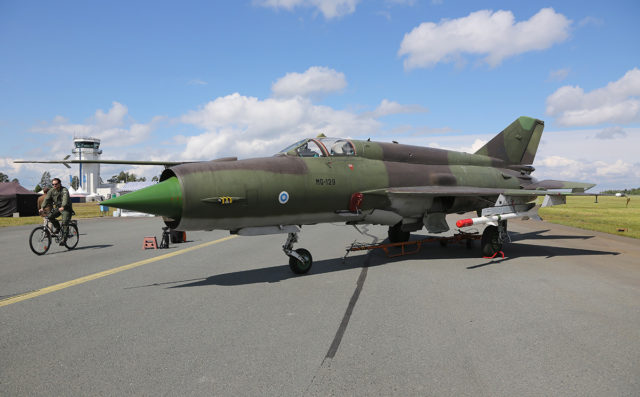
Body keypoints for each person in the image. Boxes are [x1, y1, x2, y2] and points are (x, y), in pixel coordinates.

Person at [39, 178, 74, 244]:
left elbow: (65, 199)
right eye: (53, 184)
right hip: (58, 208)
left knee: (65, 222)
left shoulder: (64, 190)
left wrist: (63, 206)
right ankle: (57, 228)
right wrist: (42, 207)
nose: (54, 185)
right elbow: (46, 199)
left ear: (60, 184)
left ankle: (64, 238)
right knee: (49, 216)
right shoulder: (51, 191)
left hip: (66, 208)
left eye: (56, 184)